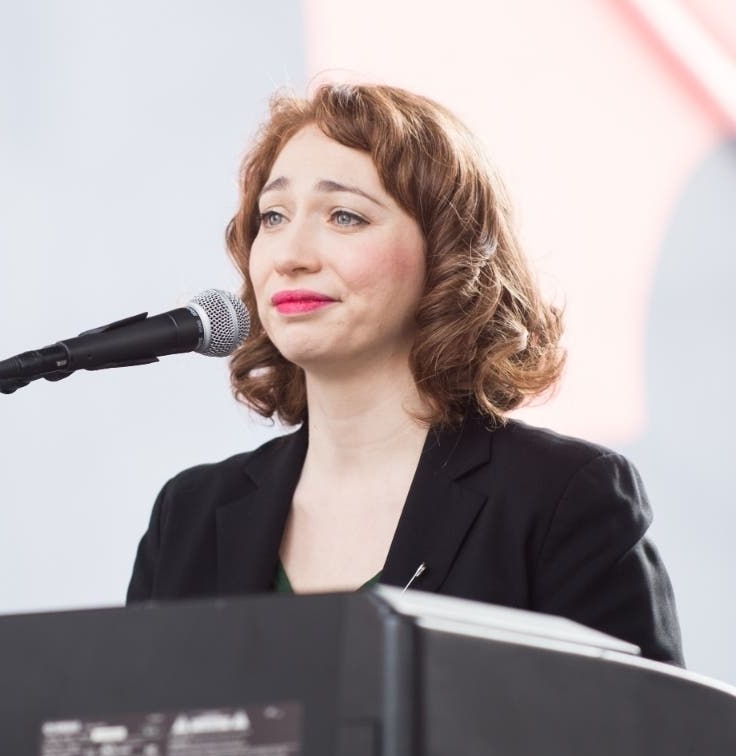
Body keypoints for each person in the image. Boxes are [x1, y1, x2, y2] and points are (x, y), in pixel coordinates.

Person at [126, 84, 683, 666]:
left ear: (447, 255)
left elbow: (649, 747)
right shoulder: (188, 515)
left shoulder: (562, 498)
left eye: (344, 216)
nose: (290, 254)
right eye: (273, 215)